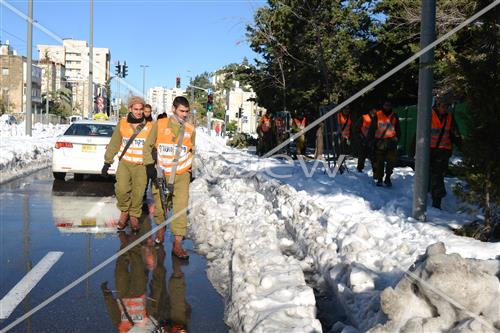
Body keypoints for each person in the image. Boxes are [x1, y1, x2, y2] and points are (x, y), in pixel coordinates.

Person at [144, 96, 196, 260]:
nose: (184, 114)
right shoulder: (159, 125)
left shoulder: (190, 128)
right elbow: (148, 146)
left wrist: (190, 171)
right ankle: (161, 228)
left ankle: (177, 244)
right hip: (161, 174)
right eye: (181, 111)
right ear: (173, 109)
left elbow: (191, 150)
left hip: (182, 174)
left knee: (180, 208)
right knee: (160, 208)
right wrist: (149, 166)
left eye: (187, 112)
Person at [102, 96, 152, 231]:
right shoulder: (122, 123)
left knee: (139, 192)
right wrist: (107, 162)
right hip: (125, 163)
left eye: (141, 109)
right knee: (121, 189)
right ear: (130, 109)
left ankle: (134, 215)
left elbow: (155, 146)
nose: (139, 112)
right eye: (136, 109)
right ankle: (124, 211)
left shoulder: (149, 126)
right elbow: (114, 143)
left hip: (141, 165)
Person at [429, 99, 461, 209]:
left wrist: (462, 146)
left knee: (437, 175)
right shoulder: (429, 115)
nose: (445, 108)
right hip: (429, 150)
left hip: (443, 151)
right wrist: (414, 149)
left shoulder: (450, 117)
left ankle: (437, 199)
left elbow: (455, 133)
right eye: (443, 106)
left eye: (446, 106)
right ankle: (433, 193)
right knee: (432, 174)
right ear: (437, 106)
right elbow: (419, 133)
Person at [368, 101, 401, 187]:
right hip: (380, 142)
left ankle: (388, 178)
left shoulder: (394, 116)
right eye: (386, 105)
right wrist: (371, 141)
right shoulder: (377, 115)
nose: (387, 106)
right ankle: (379, 179)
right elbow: (372, 129)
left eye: (389, 105)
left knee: (391, 162)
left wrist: (397, 139)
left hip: (391, 142)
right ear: (383, 105)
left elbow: (398, 129)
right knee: (380, 162)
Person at [356, 108, 376, 173]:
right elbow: (356, 128)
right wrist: (360, 137)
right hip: (363, 140)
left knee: (374, 157)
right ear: (370, 111)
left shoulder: (377, 118)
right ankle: (359, 170)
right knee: (362, 155)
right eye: (373, 111)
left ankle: (375, 172)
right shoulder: (364, 117)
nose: (374, 113)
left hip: (372, 140)